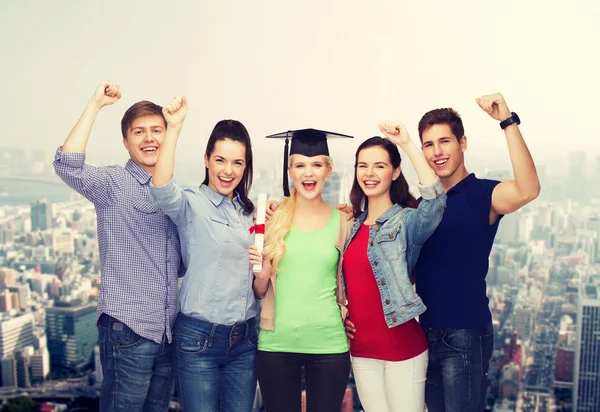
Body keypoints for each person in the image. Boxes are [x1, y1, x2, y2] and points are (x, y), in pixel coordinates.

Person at [53, 82, 183, 411]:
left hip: (167, 333)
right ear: (126, 142)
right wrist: (96, 103)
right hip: (128, 331)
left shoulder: (174, 194)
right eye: (139, 132)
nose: (150, 138)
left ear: (168, 137)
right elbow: (68, 165)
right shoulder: (113, 183)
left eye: (157, 130)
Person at [413, 93, 540, 412]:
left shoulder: (483, 194)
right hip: (423, 333)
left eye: (445, 141)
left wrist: (507, 121)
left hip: (465, 334)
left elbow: (528, 189)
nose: (437, 152)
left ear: (463, 143)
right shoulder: (422, 205)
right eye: (428, 144)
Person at [149, 97, 258, 412]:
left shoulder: (250, 214)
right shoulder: (191, 204)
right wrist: (174, 128)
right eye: (221, 160)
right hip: (198, 341)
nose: (228, 170)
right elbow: (160, 187)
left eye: (237, 163)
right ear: (207, 160)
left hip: (245, 341)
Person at [342, 123, 446, 412]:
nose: (369, 173)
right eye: (362, 166)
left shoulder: (405, 222)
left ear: (395, 171)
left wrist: (407, 144)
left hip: (403, 349)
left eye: (379, 166)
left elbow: (436, 202)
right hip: (361, 351)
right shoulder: (349, 227)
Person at [250, 129, 353, 412]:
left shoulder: (344, 221)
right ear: (290, 170)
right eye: (300, 165)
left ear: (328, 170)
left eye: (317, 164)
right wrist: (261, 273)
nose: (308, 174)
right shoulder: (271, 220)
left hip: (329, 345)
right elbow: (260, 292)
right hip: (276, 344)